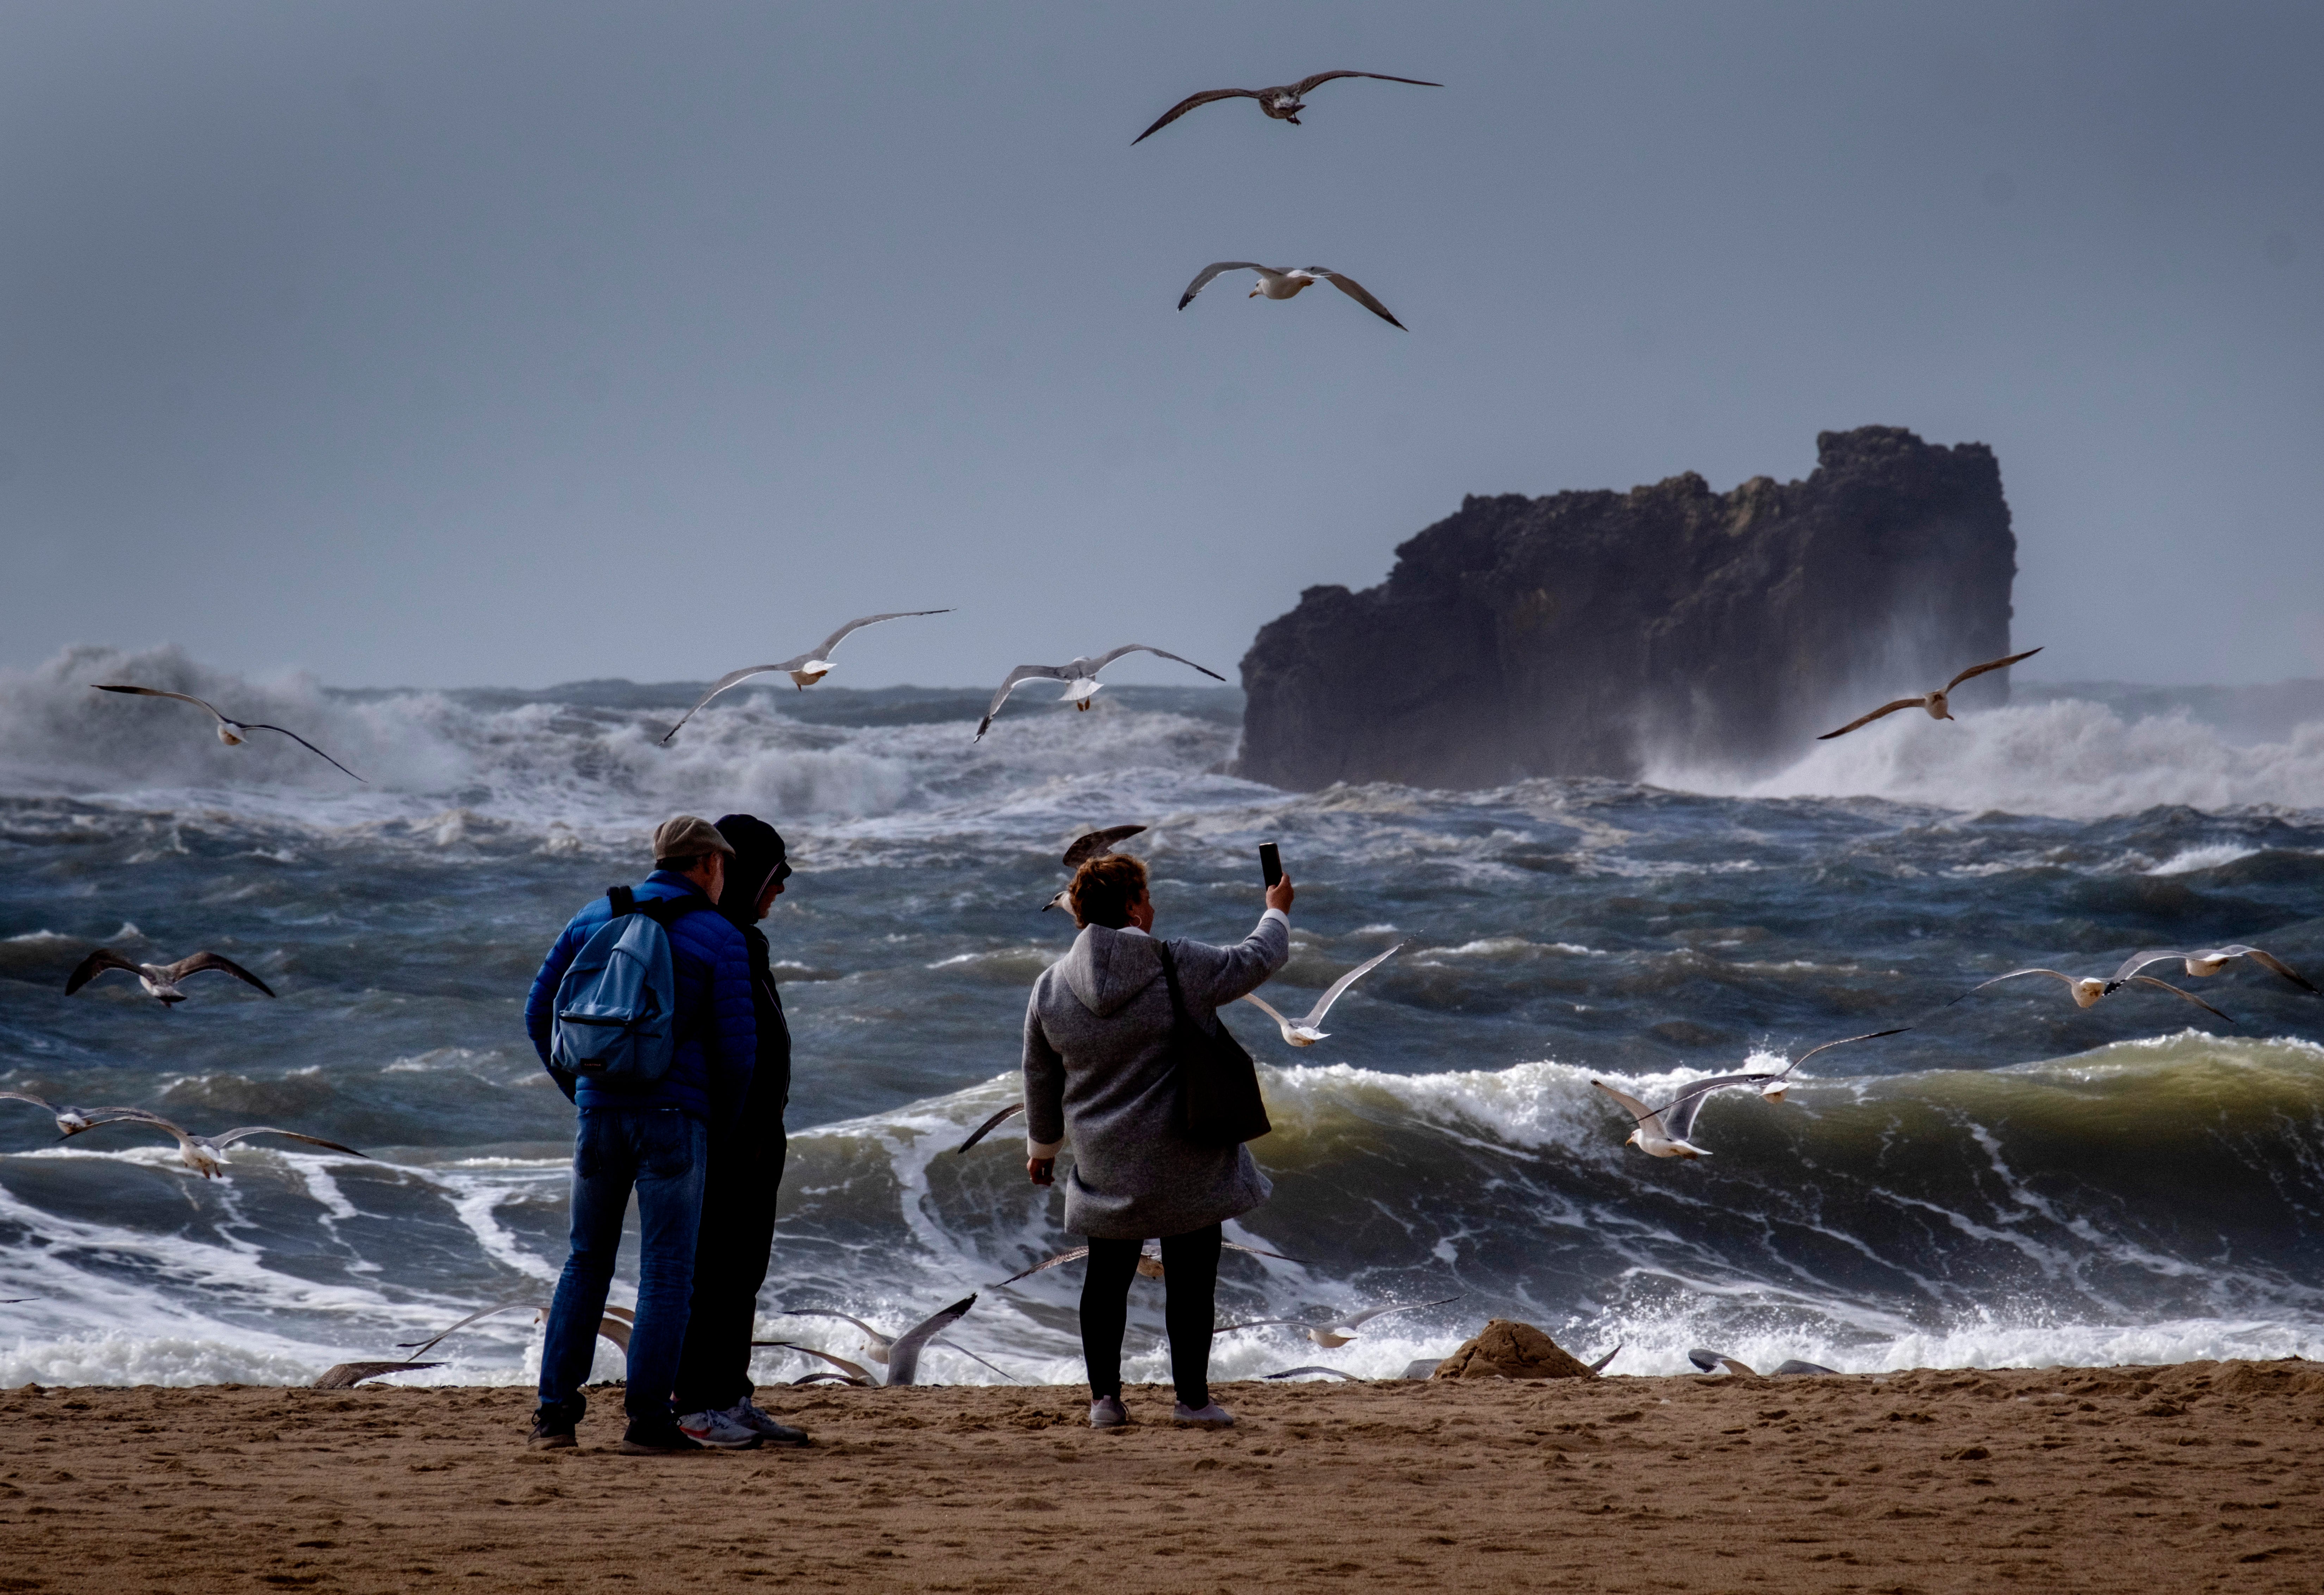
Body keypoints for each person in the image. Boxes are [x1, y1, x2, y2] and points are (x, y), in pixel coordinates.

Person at [1021, 852, 1295, 1430]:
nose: (1153, 907)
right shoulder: (1177, 964)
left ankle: (1104, 1402)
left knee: (1105, 1280)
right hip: (1185, 1153)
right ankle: (1191, 1402)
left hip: (1105, 1159)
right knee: (1192, 1279)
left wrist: (1042, 1150)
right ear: (1130, 907)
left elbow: (1040, 1078)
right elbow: (1258, 958)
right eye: (1145, 897)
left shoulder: (1049, 987)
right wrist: (1275, 911)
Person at [521, 815, 757, 1454]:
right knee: (666, 1273)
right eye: (723, 867)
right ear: (708, 864)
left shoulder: (593, 916)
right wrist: (720, 1124)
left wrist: (583, 1089)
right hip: (675, 1121)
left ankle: (554, 1418)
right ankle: (647, 1423)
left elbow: (538, 1012)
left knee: (585, 1261)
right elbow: (738, 1052)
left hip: (598, 1115)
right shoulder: (719, 933)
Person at [671, 812, 808, 1448]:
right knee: (716, 1272)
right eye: (775, 877)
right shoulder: (720, 940)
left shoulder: (742, 937)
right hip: (727, 1137)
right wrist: (737, 1127)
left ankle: (730, 1393)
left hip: (754, 1134)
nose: (780, 890)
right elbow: (722, 1048)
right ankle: (696, 1403)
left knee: (742, 1271)